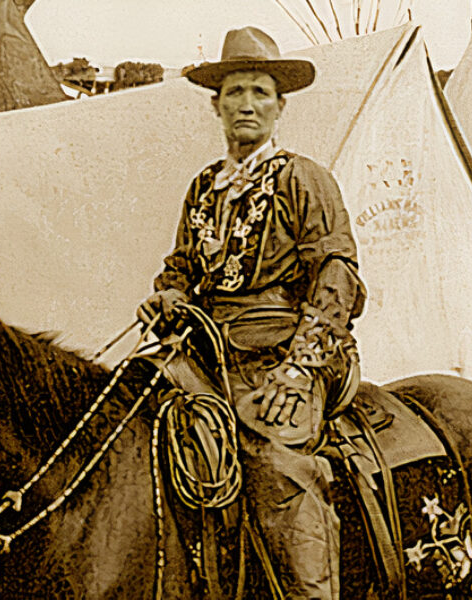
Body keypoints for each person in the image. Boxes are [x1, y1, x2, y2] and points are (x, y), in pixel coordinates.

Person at [138, 26, 366, 599]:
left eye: (259, 92)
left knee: (274, 469)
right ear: (216, 106)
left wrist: (298, 369)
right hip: (207, 357)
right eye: (235, 92)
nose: (246, 104)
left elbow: (336, 278)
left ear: (279, 105)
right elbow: (183, 267)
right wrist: (169, 296)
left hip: (288, 357)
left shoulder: (303, 178)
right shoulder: (204, 188)